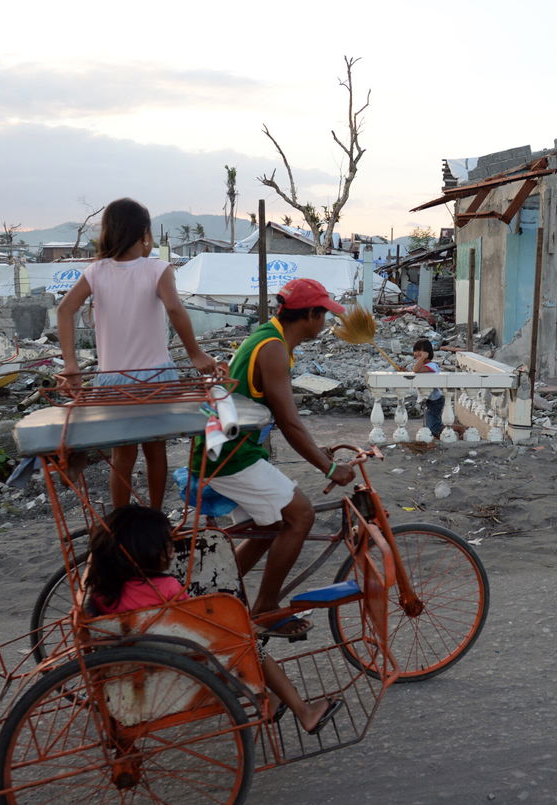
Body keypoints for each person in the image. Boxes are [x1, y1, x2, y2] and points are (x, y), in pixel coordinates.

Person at [86, 504, 343, 735]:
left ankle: (271, 700)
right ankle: (304, 711)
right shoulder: (164, 587)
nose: (172, 551)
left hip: (136, 656)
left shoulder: (103, 591)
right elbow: (194, 625)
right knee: (251, 646)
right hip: (185, 658)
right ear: (144, 552)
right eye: (166, 546)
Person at [193, 278, 355, 639]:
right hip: (231, 454)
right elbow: (288, 420)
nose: (326, 322)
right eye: (324, 315)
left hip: (225, 447)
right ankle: (265, 608)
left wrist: (316, 450)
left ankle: (211, 595)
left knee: (268, 527)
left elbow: (276, 415)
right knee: (301, 515)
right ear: (310, 315)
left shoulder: (271, 337)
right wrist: (328, 467)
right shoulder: (273, 348)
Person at [57, 198, 217, 508]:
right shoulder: (157, 268)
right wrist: (196, 354)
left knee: (122, 455)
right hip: (157, 378)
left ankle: (120, 520)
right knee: (155, 452)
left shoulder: (96, 271)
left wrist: (71, 364)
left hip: (112, 381)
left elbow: (65, 310)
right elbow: (174, 308)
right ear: (145, 233)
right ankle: (155, 515)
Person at [405, 338, 443, 438]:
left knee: (434, 426)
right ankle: (436, 438)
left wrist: (422, 358)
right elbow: (417, 371)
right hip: (430, 399)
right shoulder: (425, 365)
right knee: (431, 424)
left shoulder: (432, 365)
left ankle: (461, 429)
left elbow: (416, 370)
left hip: (435, 400)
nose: (416, 353)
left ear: (427, 352)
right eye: (415, 350)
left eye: (419, 350)